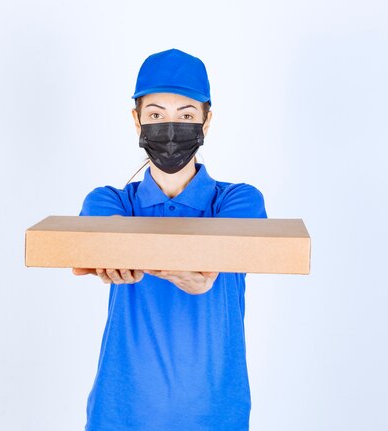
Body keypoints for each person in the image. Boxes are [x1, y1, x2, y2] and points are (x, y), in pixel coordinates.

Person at [72, 48, 267, 431]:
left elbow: (228, 252)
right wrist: (110, 254)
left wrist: (204, 271)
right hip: (119, 415)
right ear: (137, 121)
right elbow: (90, 244)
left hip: (216, 416)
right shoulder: (110, 202)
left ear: (206, 123)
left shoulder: (238, 200)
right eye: (156, 115)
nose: (171, 127)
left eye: (187, 116)